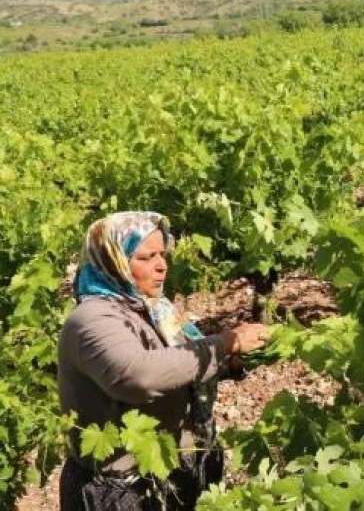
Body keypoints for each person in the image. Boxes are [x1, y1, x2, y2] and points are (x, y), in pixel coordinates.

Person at [58, 211, 269, 511]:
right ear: (112, 261)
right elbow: (137, 376)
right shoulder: (92, 320)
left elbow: (174, 365)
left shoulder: (155, 309)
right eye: (146, 257)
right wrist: (222, 344)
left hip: (176, 467)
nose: (162, 266)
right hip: (123, 492)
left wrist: (230, 362)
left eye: (162, 254)